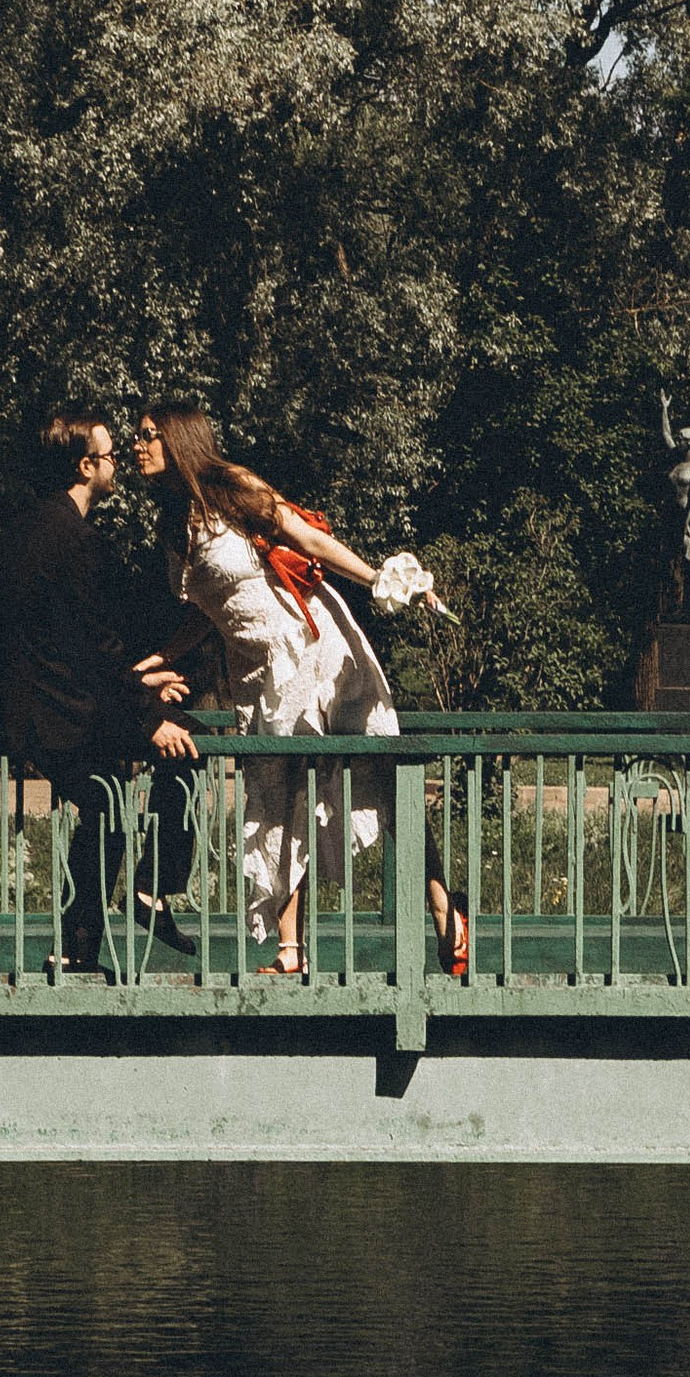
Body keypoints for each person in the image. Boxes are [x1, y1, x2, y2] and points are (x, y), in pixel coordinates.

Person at [136, 405, 467, 976]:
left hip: (314, 646)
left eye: (148, 435)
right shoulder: (172, 523)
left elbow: (307, 537)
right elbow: (207, 610)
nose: (137, 445)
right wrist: (164, 655)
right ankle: (290, 951)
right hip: (257, 671)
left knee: (383, 776)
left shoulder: (231, 487)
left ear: (177, 438)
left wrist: (383, 581)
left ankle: (443, 910)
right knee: (278, 796)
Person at [0, 412, 198, 972]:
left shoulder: (31, 527)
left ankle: (79, 946)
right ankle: (148, 891)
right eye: (110, 456)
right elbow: (90, 644)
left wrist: (141, 683)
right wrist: (149, 718)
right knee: (181, 748)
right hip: (54, 712)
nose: (118, 464)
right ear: (86, 467)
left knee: (105, 802)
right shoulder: (74, 539)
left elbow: (69, 641)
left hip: (40, 701)